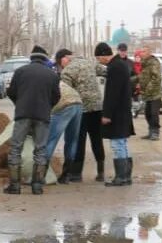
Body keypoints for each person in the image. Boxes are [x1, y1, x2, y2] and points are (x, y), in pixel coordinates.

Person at [3, 46, 60, 195]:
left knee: (16, 148)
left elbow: (11, 92)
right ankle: (37, 186)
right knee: (40, 149)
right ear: (45, 58)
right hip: (43, 116)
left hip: (23, 114)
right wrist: (47, 106)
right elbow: (56, 97)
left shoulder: (20, 72)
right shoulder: (52, 75)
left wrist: (20, 103)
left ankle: (15, 186)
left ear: (31, 57)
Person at [63, 48, 106, 182]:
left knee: (79, 140)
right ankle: (101, 172)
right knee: (97, 139)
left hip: (81, 109)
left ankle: (76, 174)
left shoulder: (68, 70)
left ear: (65, 59)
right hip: (97, 107)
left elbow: (65, 92)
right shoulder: (90, 63)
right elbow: (106, 71)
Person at [96, 42, 136, 186]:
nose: (98, 61)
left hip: (117, 113)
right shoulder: (121, 65)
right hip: (123, 110)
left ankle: (120, 177)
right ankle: (126, 176)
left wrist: (107, 114)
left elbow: (112, 93)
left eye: (98, 58)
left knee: (117, 143)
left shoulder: (114, 68)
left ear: (103, 56)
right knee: (123, 143)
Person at [48, 49, 86, 183]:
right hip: (77, 103)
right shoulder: (54, 72)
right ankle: (66, 175)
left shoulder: (54, 74)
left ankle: (41, 175)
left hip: (65, 105)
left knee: (51, 139)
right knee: (72, 141)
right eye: (67, 58)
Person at [138, 47, 162, 140]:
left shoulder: (153, 63)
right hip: (147, 94)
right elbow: (142, 76)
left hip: (155, 94)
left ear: (149, 53)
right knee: (147, 113)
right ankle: (151, 132)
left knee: (153, 113)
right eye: (141, 51)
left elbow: (156, 78)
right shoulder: (145, 64)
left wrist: (148, 89)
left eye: (144, 51)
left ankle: (155, 133)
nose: (142, 53)